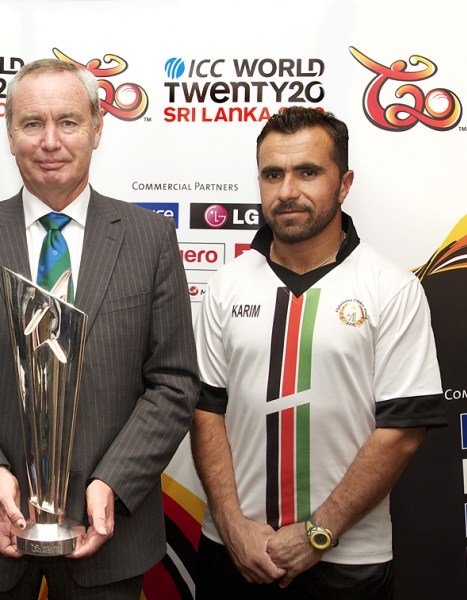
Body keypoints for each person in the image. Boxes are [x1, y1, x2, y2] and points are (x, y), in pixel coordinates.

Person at [0, 58, 200, 599]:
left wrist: (114, 480)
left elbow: (174, 382)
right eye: (32, 124)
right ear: (10, 134)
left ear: (97, 128)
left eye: (68, 121)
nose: (50, 141)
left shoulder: (149, 239)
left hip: (110, 533)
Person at [190, 106, 445, 599]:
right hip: (235, 550)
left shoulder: (391, 288)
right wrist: (232, 525)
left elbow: (402, 429)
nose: (287, 191)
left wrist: (317, 533)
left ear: (344, 184)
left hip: (349, 559)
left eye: (308, 172)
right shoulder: (225, 284)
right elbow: (205, 411)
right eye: (273, 174)